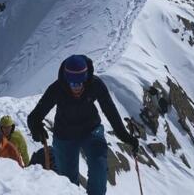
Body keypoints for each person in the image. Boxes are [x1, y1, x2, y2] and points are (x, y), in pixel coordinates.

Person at [27, 54, 138, 195]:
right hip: (65, 134)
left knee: (99, 167)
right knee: (67, 181)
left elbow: (110, 111)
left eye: (81, 83)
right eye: (73, 84)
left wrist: (125, 136)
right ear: (67, 81)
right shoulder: (57, 89)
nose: (78, 88)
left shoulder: (95, 84)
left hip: (91, 130)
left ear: (86, 78)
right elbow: (34, 116)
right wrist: (36, 128)